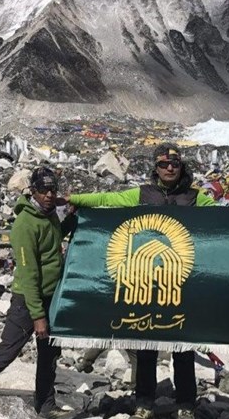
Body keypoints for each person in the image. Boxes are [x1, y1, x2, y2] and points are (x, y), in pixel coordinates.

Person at [65, 143, 215, 419]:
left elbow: (226, 218)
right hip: (146, 279)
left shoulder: (196, 197)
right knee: (146, 343)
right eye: (163, 164)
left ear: (182, 167)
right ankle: (144, 402)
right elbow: (109, 200)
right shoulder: (141, 194)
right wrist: (75, 199)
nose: (170, 168)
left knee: (183, 346)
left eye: (175, 164)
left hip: (181, 281)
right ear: (155, 168)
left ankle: (185, 405)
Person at [0, 168, 75, 419]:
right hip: (28, 300)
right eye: (44, 190)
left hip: (52, 296)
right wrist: (38, 316)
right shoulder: (25, 224)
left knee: (50, 353)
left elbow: (53, 241)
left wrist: (72, 218)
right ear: (33, 191)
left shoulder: (48, 216)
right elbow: (28, 274)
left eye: (53, 190)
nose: (50, 195)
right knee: (7, 351)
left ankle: (46, 405)